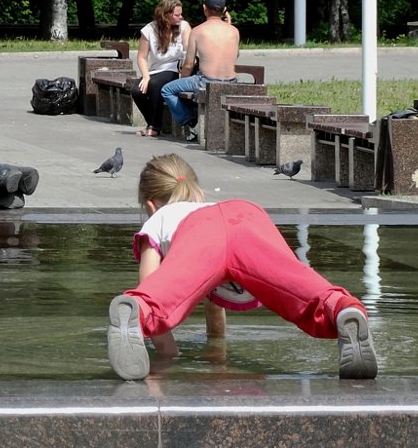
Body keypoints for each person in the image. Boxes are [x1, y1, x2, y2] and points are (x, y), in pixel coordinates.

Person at [106, 154, 379, 381]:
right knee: (300, 288)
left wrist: (169, 360)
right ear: (195, 191)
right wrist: (217, 350)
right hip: (247, 215)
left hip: (202, 233)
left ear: (151, 205)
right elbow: (214, 308)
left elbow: (155, 291)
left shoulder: (160, 220)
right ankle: (342, 309)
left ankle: (137, 313)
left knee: (156, 300)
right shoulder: (207, 206)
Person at [160, 0, 240, 142]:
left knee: (167, 90)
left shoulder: (197, 31)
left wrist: (183, 79)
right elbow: (235, 55)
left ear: (205, 8)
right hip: (231, 82)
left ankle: (190, 122)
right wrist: (228, 25)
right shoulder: (234, 31)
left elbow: (188, 63)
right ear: (224, 10)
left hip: (205, 81)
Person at [131, 0, 191, 137]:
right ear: (165, 15)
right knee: (136, 90)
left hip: (174, 69)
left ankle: (154, 127)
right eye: (177, 15)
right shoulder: (149, 30)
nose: (181, 17)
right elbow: (141, 57)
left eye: (181, 14)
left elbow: (189, 51)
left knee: (156, 85)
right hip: (156, 70)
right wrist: (145, 76)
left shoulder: (184, 27)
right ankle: (152, 123)